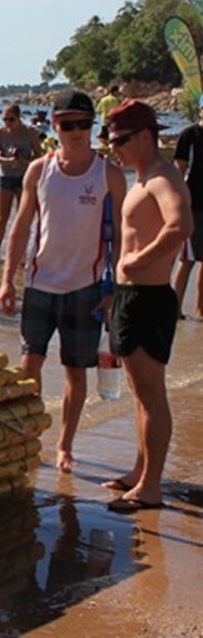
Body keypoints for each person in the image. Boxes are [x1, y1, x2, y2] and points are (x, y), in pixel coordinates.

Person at [0, 89, 127, 474]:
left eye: (84, 124)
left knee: (75, 371)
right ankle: (28, 437)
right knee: (28, 366)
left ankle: (65, 446)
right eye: (68, 124)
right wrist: (7, 280)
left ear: (93, 126)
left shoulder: (109, 174)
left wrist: (117, 290)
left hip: (85, 290)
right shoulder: (39, 170)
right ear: (55, 125)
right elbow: (20, 229)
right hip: (39, 284)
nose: (77, 132)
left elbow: (122, 236)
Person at [103, 100, 193, 512]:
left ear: (144, 136)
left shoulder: (161, 177)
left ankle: (151, 486)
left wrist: (138, 260)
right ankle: (141, 472)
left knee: (151, 396)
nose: (112, 146)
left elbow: (181, 225)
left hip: (147, 298)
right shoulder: (142, 177)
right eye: (109, 138)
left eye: (119, 139)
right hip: (130, 297)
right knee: (139, 395)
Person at [0, 103, 43, 260]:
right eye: (4, 119)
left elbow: (39, 155)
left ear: (19, 118)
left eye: (11, 119)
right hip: (5, 176)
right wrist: (7, 160)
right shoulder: (0, 132)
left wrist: (25, 162)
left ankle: (21, 253)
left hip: (24, 178)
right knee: (2, 217)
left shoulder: (30, 132)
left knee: (22, 218)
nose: (8, 123)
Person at [171, 94, 203, 319]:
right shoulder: (189, 136)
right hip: (193, 206)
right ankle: (175, 309)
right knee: (187, 260)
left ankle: (201, 309)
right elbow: (178, 172)